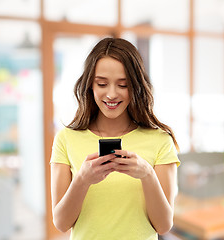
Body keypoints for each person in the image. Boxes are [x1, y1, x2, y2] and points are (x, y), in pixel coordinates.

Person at [50, 37, 180, 240]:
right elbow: (61, 223)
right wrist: (83, 180)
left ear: (136, 87)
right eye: (102, 83)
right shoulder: (66, 139)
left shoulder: (160, 140)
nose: (111, 94)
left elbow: (163, 226)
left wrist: (147, 174)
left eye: (123, 85)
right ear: (90, 86)